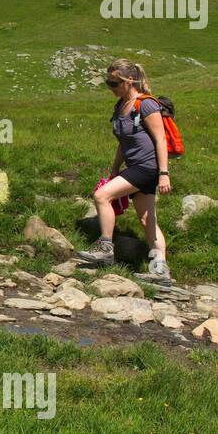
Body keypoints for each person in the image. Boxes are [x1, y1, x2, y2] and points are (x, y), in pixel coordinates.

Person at [77, 58, 171, 278]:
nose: (111, 88)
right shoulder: (120, 106)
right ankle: (160, 270)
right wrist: (115, 169)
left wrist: (164, 173)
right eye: (108, 83)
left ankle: (105, 249)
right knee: (147, 220)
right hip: (134, 166)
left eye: (114, 84)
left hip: (146, 167)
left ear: (130, 81)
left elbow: (160, 140)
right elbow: (123, 142)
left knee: (101, 196)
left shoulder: (146, 104)